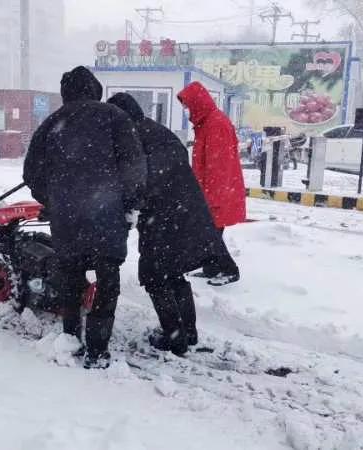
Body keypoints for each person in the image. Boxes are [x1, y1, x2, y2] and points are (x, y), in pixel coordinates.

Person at [23, 67, 146, 369]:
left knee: (70, 280)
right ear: (95, 89)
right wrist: (127, 203)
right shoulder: (116, 118)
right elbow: (134, 169)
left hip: (67, 220)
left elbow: (31, 173)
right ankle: (98, 348)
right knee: (107, 282)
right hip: (107, 217)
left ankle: (70, 338)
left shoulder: (52, 123)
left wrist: (53, 200)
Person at [107, 92, 223, 355]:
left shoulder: (131, 137)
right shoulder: (158, 131)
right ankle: (188, 332)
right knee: (174, 272)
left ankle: (175, 337)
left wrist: (125, 205)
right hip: (187, 211)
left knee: (155, 276)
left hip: (161, 216)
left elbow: (134, 179)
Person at [177, 81, 246, 286]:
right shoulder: (206, 123)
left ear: (198, 103)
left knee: (210, 234)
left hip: (217, 193)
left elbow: (219, 167)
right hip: (211, 191)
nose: (187, 111)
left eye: (188, 106)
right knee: (208, 233)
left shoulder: (216, 124)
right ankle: (212, 268)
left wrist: (209, 199)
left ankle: (229, 270)